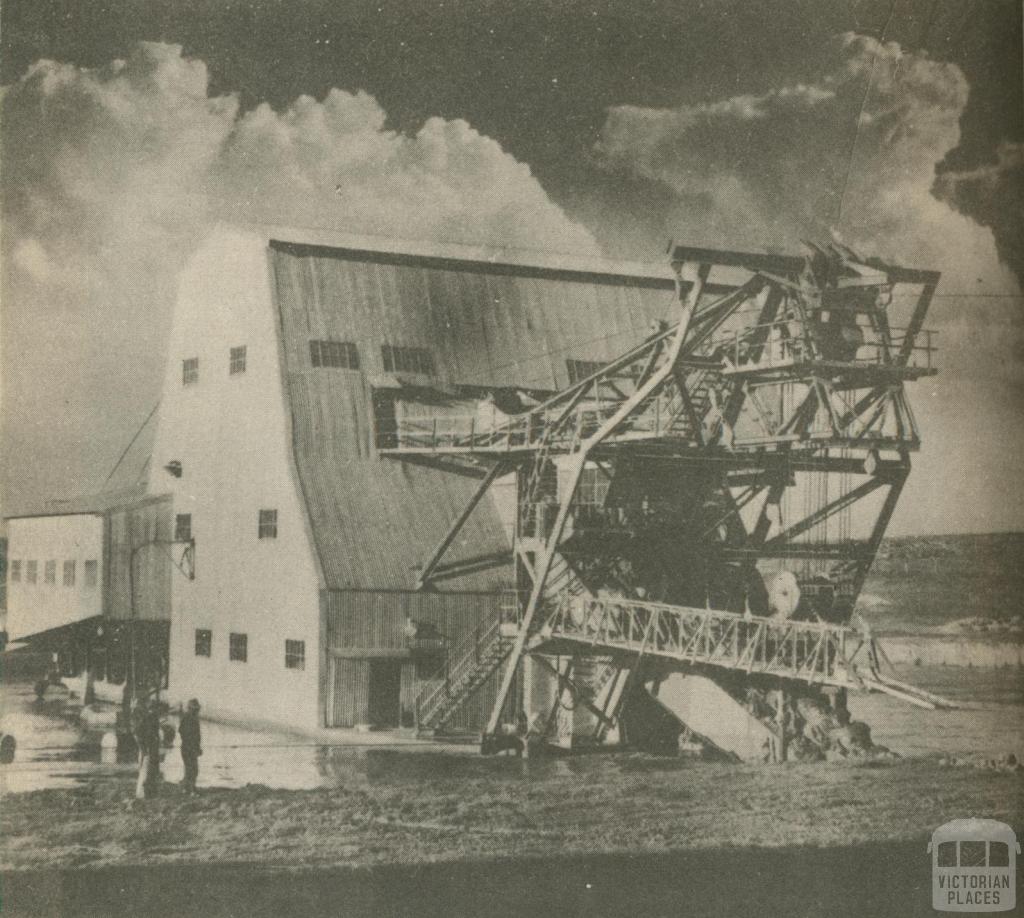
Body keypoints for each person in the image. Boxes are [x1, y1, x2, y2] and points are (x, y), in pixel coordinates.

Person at [133, 698, 162, 800]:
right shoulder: (148, 718)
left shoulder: (152, 718)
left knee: (151, 771)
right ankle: (143, 793)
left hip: (152, 748)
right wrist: (143, 748)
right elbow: (138, 733)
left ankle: (149, 793)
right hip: (148, 749)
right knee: (146, 770)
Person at [178, 699, 202, 794]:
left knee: (189, 768)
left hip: (187, 747)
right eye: (195, 709)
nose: (197, 711)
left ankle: (187, 788)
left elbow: (181, 731)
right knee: (192, 769)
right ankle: (190, 789)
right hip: (189, 747)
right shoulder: (190, 719)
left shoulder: (187, 718)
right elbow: (191, 735)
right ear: (191, 709)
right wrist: (195, 747)